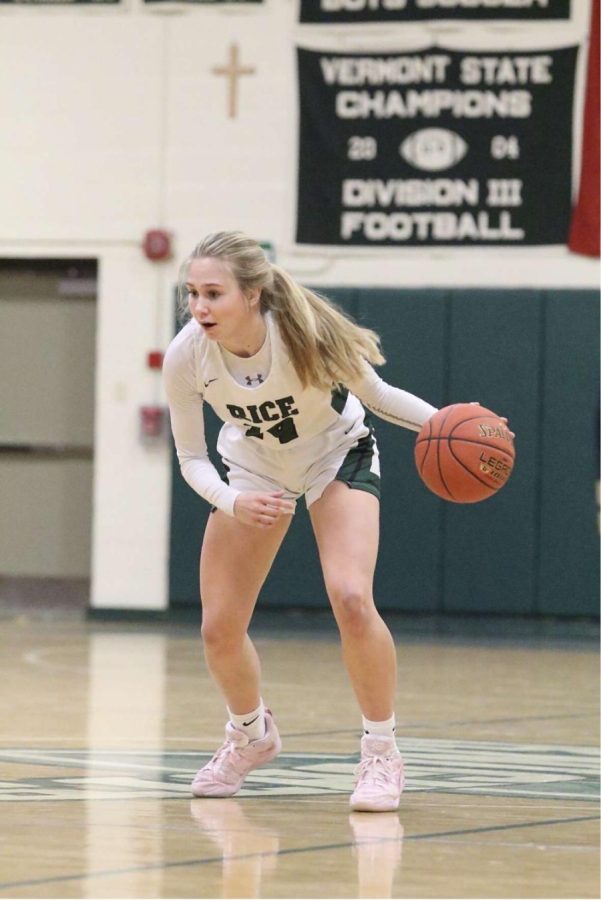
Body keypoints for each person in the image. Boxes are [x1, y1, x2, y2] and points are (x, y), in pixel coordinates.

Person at [163, 231, 438, 813]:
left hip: (335, 454)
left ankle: (381, 751)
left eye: (213, 293)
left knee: (350, 597)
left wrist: (449, 424)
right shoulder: (187, 356)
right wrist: (236, 502)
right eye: (192, 293)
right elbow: (191, 458)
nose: (199, 307)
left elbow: (381, 396)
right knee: (218, 629)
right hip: (252, 468)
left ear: (254, 294)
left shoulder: (302, 334)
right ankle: (250, 733)